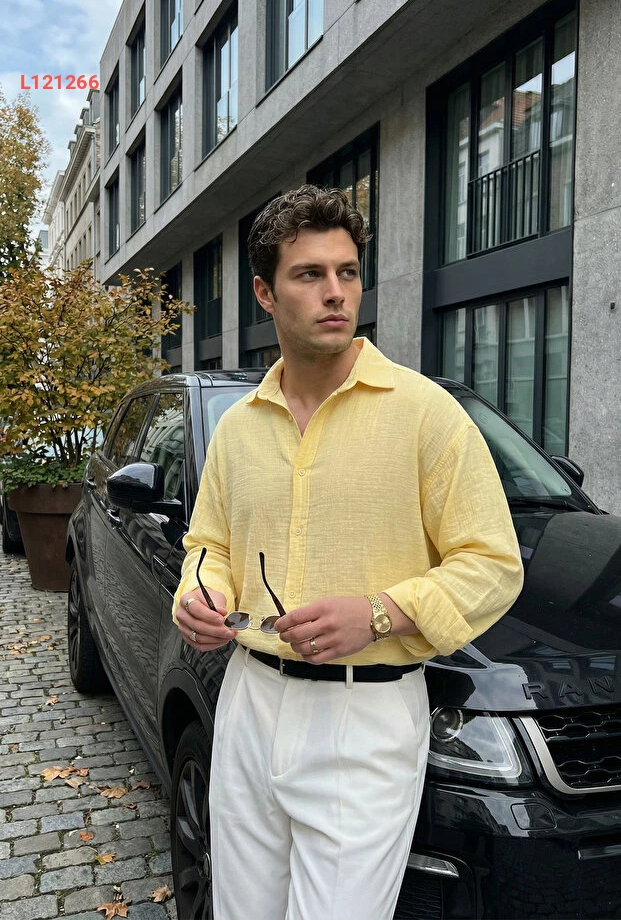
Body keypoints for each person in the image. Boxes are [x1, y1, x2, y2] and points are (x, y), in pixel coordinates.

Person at [173, 184, 524, 920]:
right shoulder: (239, 427)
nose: (335, 292)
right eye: (310, 274)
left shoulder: (425, 414)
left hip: (365, 713)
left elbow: (492, 564)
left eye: (347, 272)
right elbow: (209, 542)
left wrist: (379, 612)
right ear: (265, 294)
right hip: (247, 698)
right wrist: (199, 592)